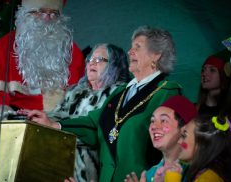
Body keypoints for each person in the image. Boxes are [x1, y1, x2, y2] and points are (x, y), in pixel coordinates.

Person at [23, 26, 182, 181]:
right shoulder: (121, 92)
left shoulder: (167, 92)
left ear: (156, 55)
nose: (130, 52)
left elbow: (176, 147)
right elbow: (93, 124)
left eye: (137, 47)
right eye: (131, 47)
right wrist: (53, 124)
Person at [0, 0, 85, 120]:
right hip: (16, 122)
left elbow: (80, 97)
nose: (47, 18)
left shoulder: (71, 50)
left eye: (54, 13)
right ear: (26, 13)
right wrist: (13, 120)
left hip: (60, 124)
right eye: (41, 12)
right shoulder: (4, 46)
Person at [47, 43, 131, 182]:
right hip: (60, 164)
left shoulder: (119, 94)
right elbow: (58, 114)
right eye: (90, 60)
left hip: (93, 170)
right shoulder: (75, 91)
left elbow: (97, 130)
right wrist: (39, 118)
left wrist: (57, 126)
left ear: (115, 65)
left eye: (99, 60)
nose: (92, 63)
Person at [124, 95, 198, 182]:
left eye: (164, 120)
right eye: (152, 121)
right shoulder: (150, 174)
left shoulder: (198, 173)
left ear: (185, 129)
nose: (154, 126)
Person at [164, 115, 231, 182]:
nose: (179, 141)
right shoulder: (200, 173)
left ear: (202, 146)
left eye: (184, 136)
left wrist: (172, 179)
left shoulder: (209, 179)